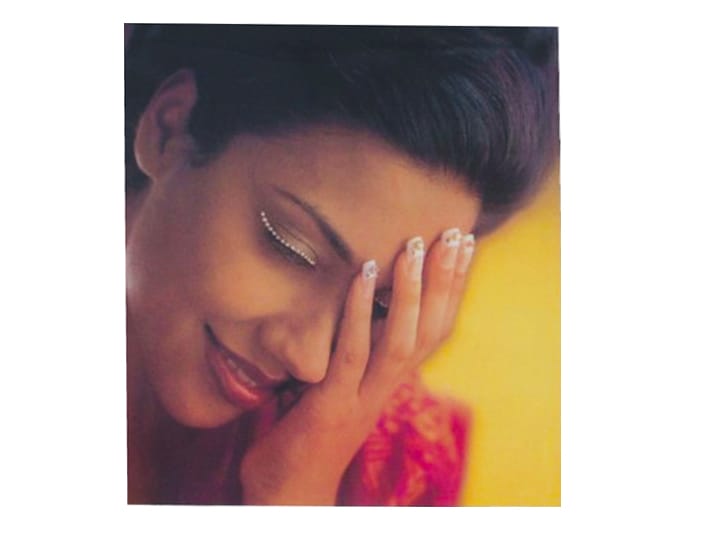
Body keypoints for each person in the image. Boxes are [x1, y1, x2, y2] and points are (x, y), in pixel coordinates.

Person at [124, 24, 559, 505]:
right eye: (291, 247)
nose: (310, 361)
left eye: (379, 307)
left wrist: (294, 498)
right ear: (170, 129)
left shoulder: (386, 465)